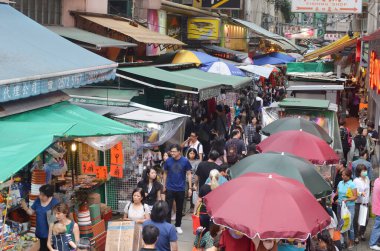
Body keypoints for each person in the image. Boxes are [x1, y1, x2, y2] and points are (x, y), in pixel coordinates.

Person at [163, 144, 192, 234]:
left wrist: (190, 188)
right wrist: (164, 185)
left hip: (181, 188)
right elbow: (165, 173)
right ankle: (167, 226)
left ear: (179, 151)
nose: (172, 153)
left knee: (179, 209)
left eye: (174, 151)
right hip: (170, 187)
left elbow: (189, 174)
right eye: (171, 151)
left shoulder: (185, 161)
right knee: (168, 207)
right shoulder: (168, 161)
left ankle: (178, 225)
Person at [21, 184, 59, 251]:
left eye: (42, 195)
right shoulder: (38, 200)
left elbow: (52, 224)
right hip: (39, 233)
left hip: (50, 236)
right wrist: (25, 208)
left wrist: (49, 240)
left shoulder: (54, 203)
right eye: (40, 194)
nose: (40, 196)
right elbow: (31, 212)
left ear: (49, 196)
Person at [337, 169, 358, 250]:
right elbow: (337, 193)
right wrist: (333, 198)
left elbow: (355, 196)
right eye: (342, 175)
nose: (342, 176)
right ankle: (343, 242)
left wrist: (347, 200)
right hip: (340, 206)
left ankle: (351, 241)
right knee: (341, 224)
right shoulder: (340, 183)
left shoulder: (352, 184)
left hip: (349, 206)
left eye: (344, 175)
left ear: (348, 176)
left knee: (350, 224)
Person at [353, 164, 370, 244]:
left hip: (365, 202)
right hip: (357, 203)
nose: (365, 172)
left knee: (366, 219)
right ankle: (356, 236)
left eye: (365, 170)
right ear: (359, 172)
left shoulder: (367, 179)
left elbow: (368, 190)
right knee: (356, 220)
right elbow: (354, 191)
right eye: (363, 171)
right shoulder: (356, 180)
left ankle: (362, 233)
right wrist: (360, 193)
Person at [369, 177, 380, 250]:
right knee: (377, 227)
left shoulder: (377, 180)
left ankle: (377, 241)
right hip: (379, 208)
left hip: (377, 207)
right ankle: (373, 243)